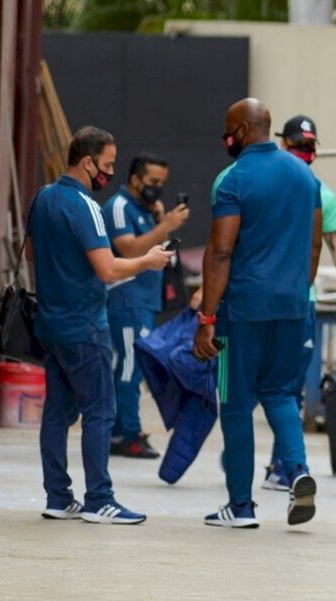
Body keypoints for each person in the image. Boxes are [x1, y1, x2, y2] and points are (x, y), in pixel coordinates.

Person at [28, 126, 172, 524]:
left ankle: (58, 497)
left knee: (57, 413)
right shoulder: (86, 205)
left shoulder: (42, 198)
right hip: (85, 324)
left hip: (51, 324)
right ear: (88, 162)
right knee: (101, 411)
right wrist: (147, 261)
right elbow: (107, 269)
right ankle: (99, 499)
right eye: (106, 165)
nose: (109, 174)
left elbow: (38, 257)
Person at [192, 98, 323, 529]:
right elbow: (315, 243)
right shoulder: (305, 176)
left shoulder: (233, 179)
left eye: (228, 129)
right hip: (292, 306)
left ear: (245, 130)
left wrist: (206, 318)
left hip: (243, 309)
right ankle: (298, 471)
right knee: (281, 394)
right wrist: (296, 291)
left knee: (235, 404)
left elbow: (220, 251)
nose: (225, 138)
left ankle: (241, 506)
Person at [259, 114, 336, 491]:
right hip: (262, 302)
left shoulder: (323, 194)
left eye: (310, 147)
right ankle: (272, 468)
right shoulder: (260, 184)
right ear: (283, 145)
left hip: (298, 303)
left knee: (288, 389)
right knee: (253, 392)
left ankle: (281, 465)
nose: (306, 153)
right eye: (299, 146)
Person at [103, 153, 189, 460]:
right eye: (152, 182)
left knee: (132, 364)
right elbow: (127, 249)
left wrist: (159, 220)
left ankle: (117, 430)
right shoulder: (118, 207)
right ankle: (127, 433)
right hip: (125, 296)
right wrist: (164, 225)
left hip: (144, 299)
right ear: (135, 178)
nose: (157, 188)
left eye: (162, 184)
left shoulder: (143, 209)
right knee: (129, 364)